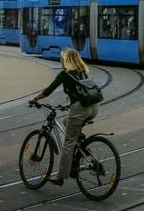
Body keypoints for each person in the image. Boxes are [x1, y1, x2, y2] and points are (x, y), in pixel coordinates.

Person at [29, 49, 99, 186]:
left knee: (68, 144)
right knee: (67, 121)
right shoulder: (82, 71)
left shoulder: (64, 74)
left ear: (67, 60)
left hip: (81, 108)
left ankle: (61, 176)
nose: (61, 61)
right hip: (94, 107)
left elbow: (48, 91)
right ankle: (82, 146)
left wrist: (35, 99)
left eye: (62, 59)